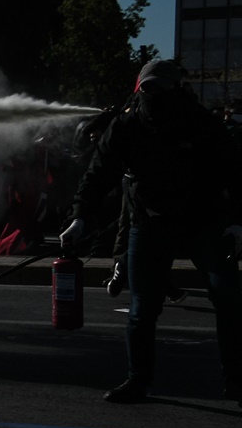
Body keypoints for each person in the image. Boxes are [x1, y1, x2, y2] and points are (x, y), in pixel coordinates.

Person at [61, 59, 242, 404]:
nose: (155, 95)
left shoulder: (202, 124)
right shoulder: (126, 127)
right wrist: (80, 218)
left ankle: (237, 381)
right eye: (148, 88)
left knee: (230, 301)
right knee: (141, 311)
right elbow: (97, 176)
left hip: (204, 222)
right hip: (150, 223)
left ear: (178, 89)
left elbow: (236, 174)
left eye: (162, 88)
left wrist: (237, 221)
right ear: (138, 89)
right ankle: (137, 381)